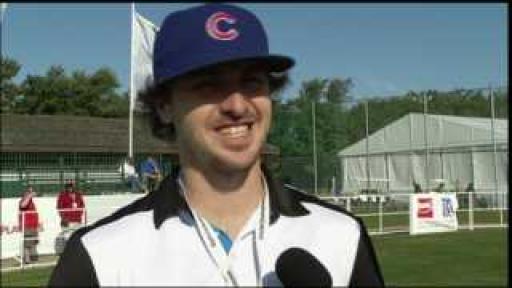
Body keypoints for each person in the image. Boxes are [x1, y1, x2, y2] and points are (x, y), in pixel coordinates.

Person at [49, 4, 384, 287]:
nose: (237, 105)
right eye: (209, 85)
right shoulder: (98, 254)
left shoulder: (341, 234)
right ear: (165, 105)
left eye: (252, 81)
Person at [19, 185, 39, 264]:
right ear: (25, 193)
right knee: (27, 244)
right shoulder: (23, 200)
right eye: (29, 191)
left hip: (33, 226)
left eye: (31, 191)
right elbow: (23, 206)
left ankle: (33, 259)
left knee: (33, 243)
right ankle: (27, 260)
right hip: (27, 226)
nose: (31, 193)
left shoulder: (31, 202)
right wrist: (29, 196)